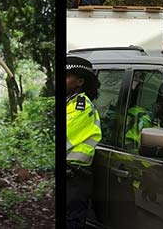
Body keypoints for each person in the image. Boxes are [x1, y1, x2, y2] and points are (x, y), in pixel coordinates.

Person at [65, 55, 102, 229]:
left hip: (75, 178)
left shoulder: (82, 106)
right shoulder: (68, 103)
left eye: (67, 76)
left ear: (79, 81)